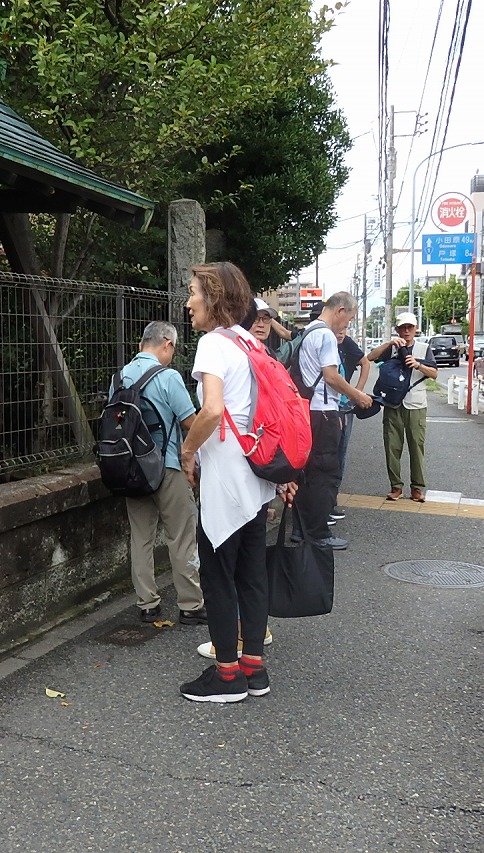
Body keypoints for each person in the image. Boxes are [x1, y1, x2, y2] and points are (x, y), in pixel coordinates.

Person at [178, 262, 279, 703]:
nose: (188, 302)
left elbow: (213, 410)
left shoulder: (213, 344)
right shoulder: (249, 343)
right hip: (256, 476)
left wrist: (187, 451)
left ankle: (226, 676)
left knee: (218, 577)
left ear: (214, 297)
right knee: (251, 574)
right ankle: (253, 668)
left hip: (225, 479)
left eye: (193, 292)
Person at [115, 321, 205, 625]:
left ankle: (147, 604)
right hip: (166, 466)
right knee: (181, 535)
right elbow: (191, 422)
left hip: (131, 470)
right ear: (166, 343)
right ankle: (190, 605)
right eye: (173, 348)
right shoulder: (168, 377)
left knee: (140, 537)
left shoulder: (119, 378)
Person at [292, 292, 373, 549]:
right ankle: (318, 533)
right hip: (323, 412)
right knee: (325, 472)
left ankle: (300, 530)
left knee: (307, 472)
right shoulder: (326, 335)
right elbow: (331, 376)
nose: (346, 325)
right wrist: (358, 396)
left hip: (308, 410)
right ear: (340, 311)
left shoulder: (309, 331)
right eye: (348, 319)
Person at [368, 312, 439, 503]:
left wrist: (418, 365)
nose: (406, 331)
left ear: (416, 329)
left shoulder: (424, 348)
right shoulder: (392, 347)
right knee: (392, 446)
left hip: (416, 403)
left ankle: (417, 488)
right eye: (402, 327)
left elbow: (434, 374)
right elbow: (370, 357)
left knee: (416, 446)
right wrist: (389, 344)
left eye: (410, 327)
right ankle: (396, 486)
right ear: (397, 330)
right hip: (392, 402)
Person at [331, 323, 370, 526]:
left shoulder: (347, 343)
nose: (341, 333)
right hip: (327, 409)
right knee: (326, 457)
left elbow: (366, 362)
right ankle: (324, 506)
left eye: (345, 329)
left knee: (340, 455)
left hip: (345, 407)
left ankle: (331, 501)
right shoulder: (322, 340)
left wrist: (357, 391)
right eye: (338, 329)